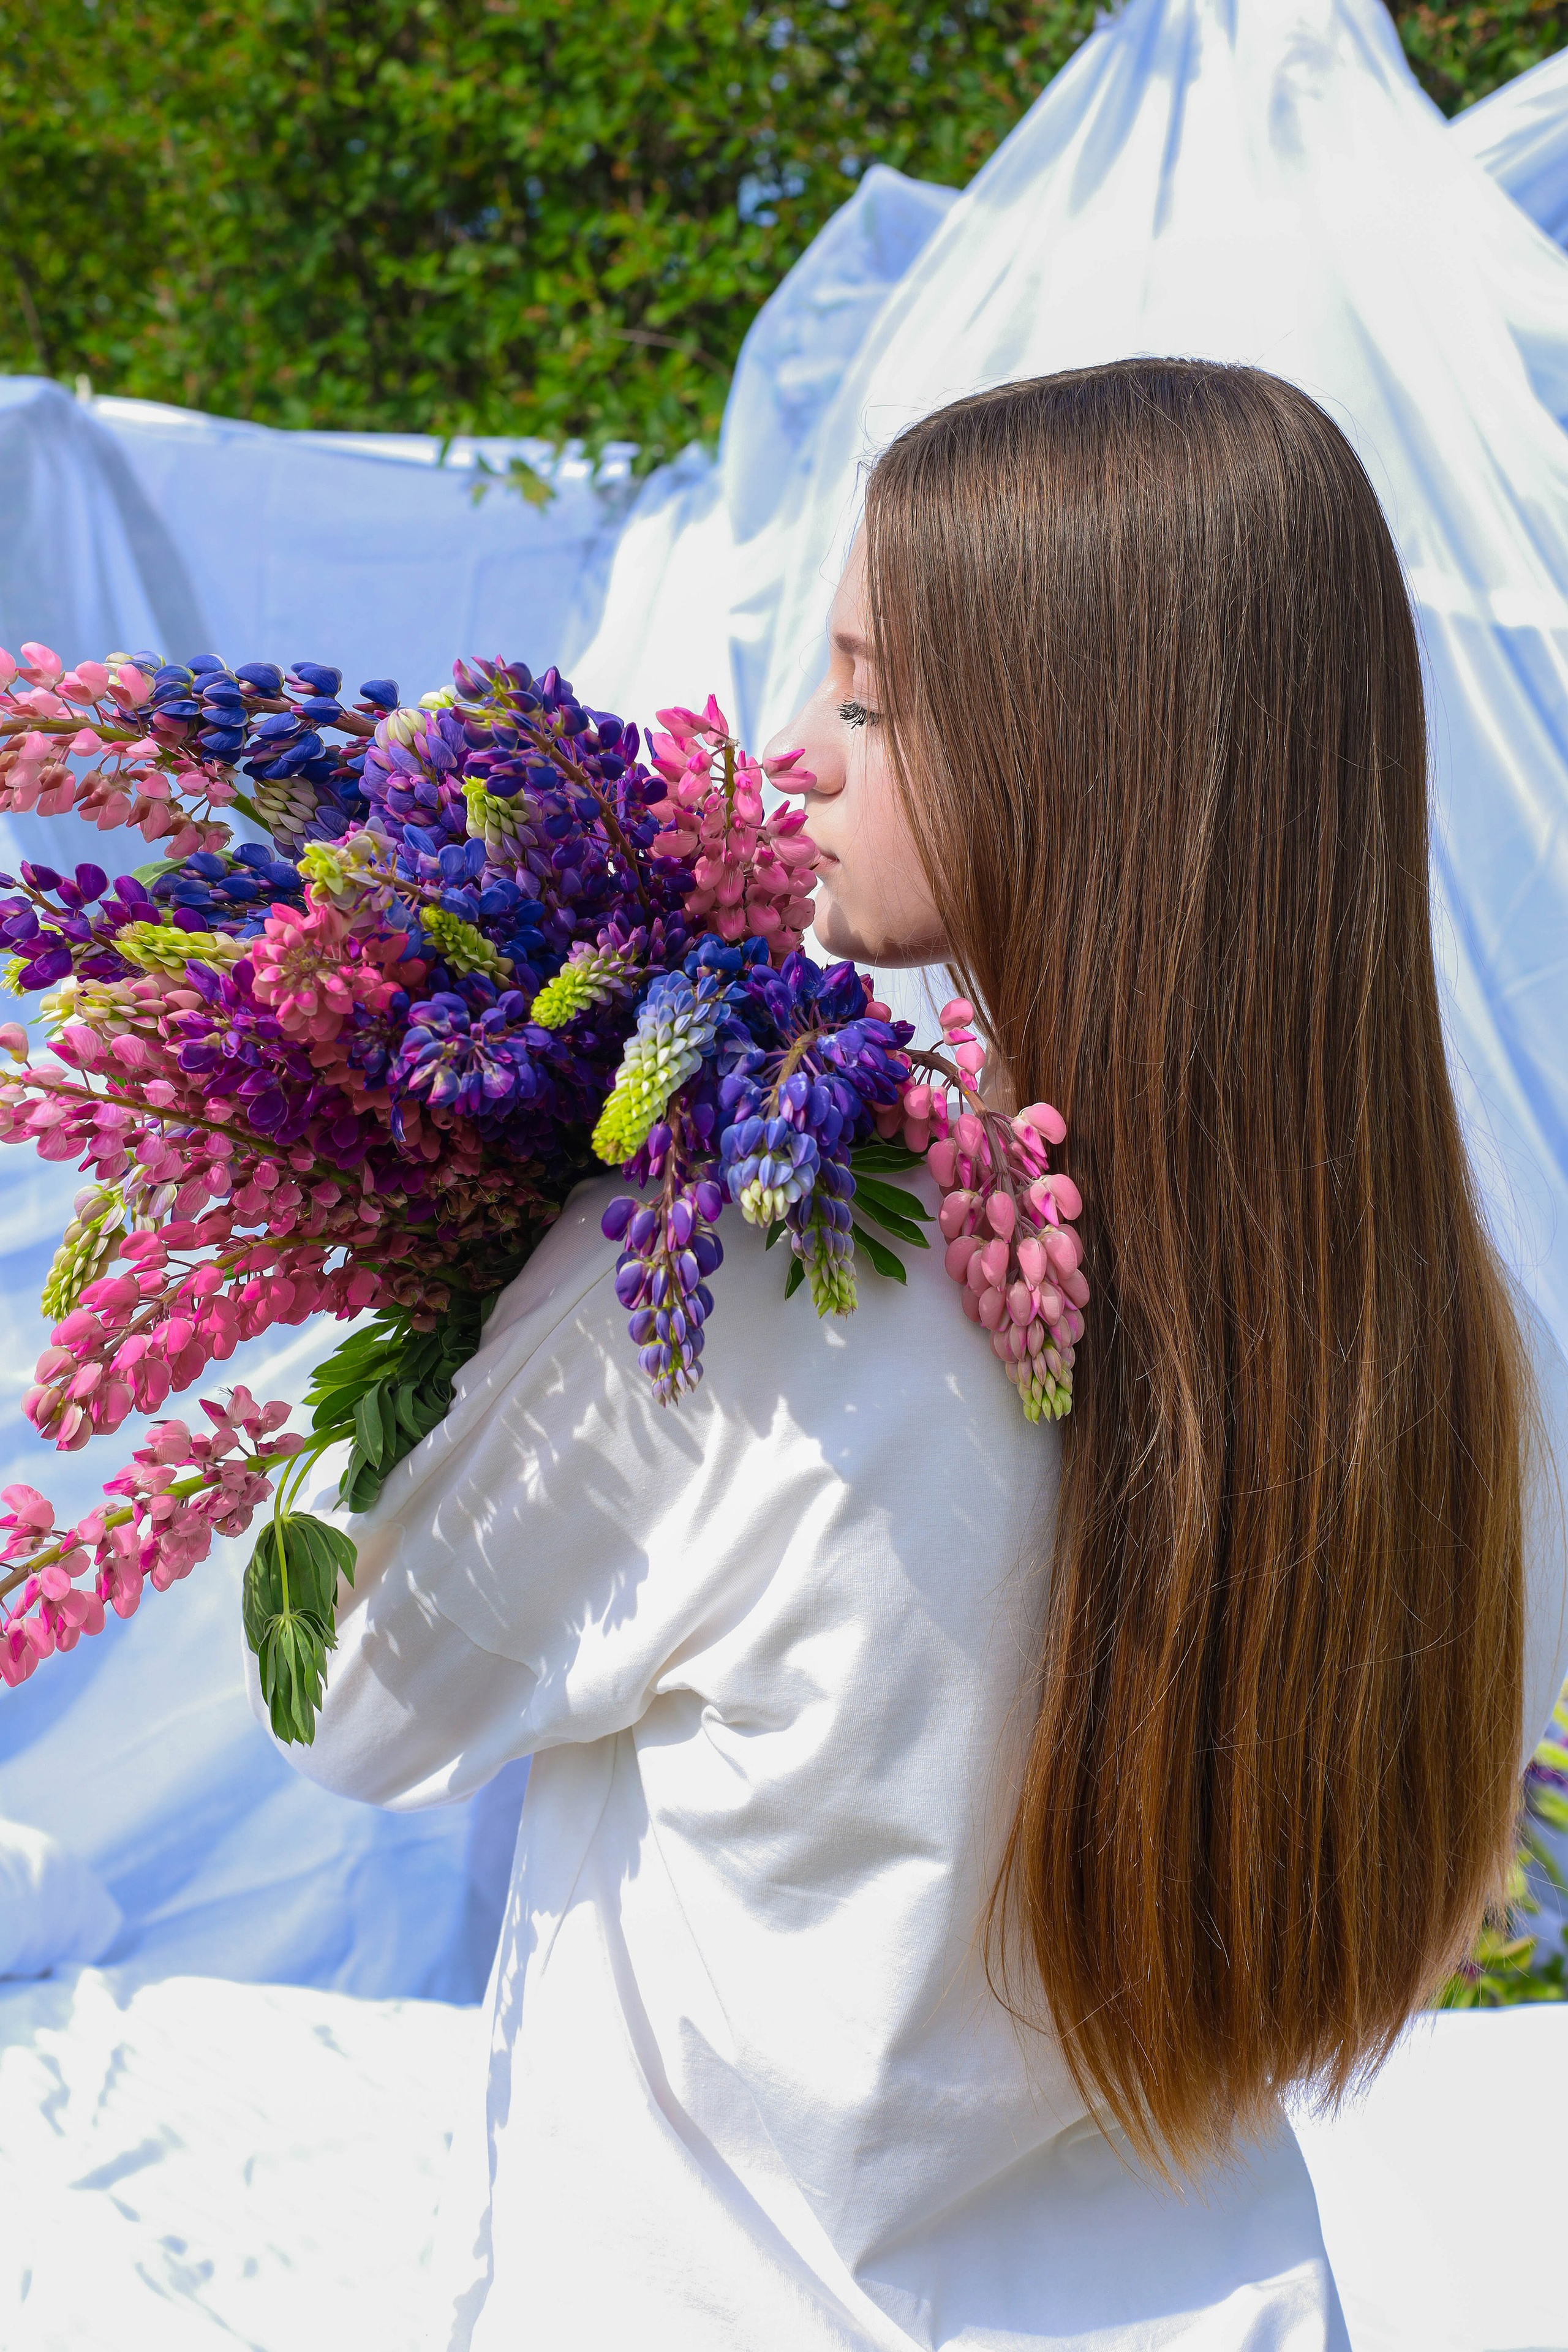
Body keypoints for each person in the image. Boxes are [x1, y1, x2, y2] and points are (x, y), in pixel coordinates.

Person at [256, 359, 1568, 2350]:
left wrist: (471, 1217)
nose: (792, 752)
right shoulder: (1452, 1349)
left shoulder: (772, 1282)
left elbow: (358, 1692)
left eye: (869, 697)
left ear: (1090, 759)